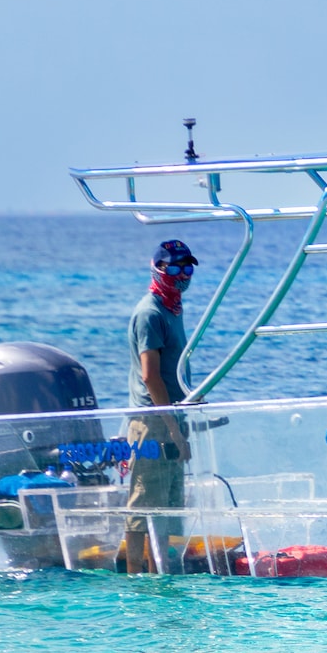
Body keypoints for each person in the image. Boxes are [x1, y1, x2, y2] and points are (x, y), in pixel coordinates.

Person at [124, 239, 197, 573]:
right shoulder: (150, 312)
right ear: (159, 269)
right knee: (144, 506)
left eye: (188, 267)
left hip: (172, 417)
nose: (183, 274)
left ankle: (159, 574)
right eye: (175, 268)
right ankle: (135, 576)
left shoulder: (172, 308)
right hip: (153, 421)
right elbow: (151, 376)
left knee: (168, 506)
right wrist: (172, 430)